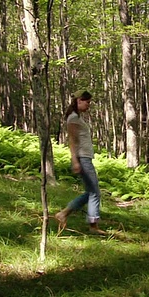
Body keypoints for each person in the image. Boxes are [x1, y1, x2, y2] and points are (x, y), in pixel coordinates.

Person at [55, 89, 105, 235]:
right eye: (87, 102)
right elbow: (72, 140)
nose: (89, 105)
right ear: (79, 101)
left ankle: (64, 214)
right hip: (82, 159)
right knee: (94, 192)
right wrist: (75, 160)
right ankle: (92, 226)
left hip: (85, 158)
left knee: (91, 192)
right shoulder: (73, 118)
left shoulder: (77, 117)